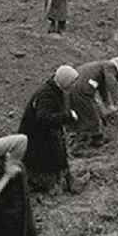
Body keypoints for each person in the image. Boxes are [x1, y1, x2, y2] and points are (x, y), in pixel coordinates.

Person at [18, 65, 79, 194]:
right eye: (72, 82)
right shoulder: (46, 95)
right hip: (36, 136)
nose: (74, 85)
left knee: (57, 151)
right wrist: (67, 117)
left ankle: (64, 180)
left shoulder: (55, 90)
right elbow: (43, 118)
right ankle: (46, 184)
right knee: (46, 161)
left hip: (43, 134)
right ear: (65, 80)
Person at [70, 57, 118, 148]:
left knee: (84, 114)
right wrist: (117, 102)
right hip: (82, 91)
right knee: (92, 114)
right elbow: (111, 83)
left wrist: (107, 104)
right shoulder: (110, 66)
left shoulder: (100, 67)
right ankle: (93, 140)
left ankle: (81, 136)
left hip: (74, 88)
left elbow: (102, 88)